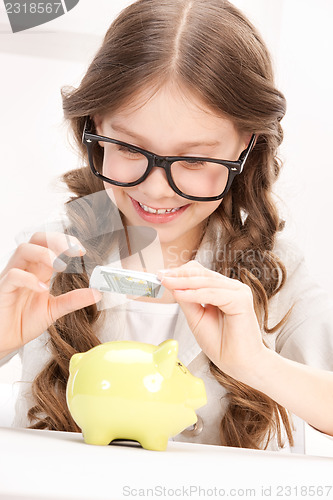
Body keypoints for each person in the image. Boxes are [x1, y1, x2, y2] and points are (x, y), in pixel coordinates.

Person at [1, 0, 333, 452]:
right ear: (95, 126)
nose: (157, 190)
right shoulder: (48, 251)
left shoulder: (277, 272)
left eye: (194, 159)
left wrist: (255, 363)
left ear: (246, 147)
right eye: (131, 149)